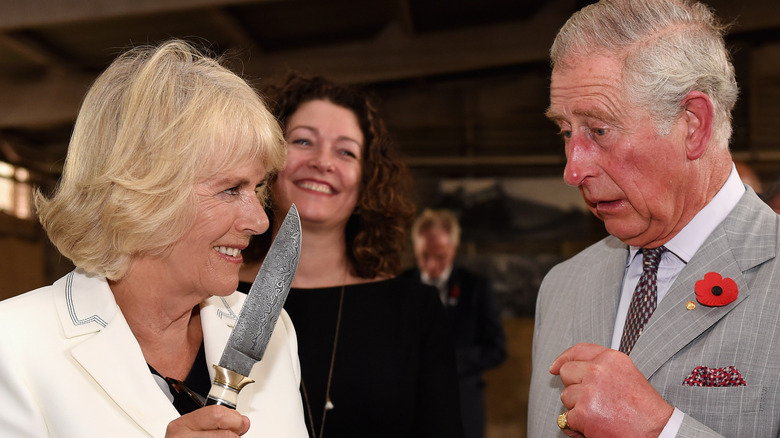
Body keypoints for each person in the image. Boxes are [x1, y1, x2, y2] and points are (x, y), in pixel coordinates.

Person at [0, 40, 308, 437]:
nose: (260, 222)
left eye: (257, 187)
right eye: (231, 189)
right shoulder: (14, 345)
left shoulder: (271, 328)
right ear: (143, 195)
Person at [528, 0, 780, 437]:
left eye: (599, 130)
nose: (572, 170)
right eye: (566, 132)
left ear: (694, 124)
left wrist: (659, 430)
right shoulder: (563, 286)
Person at [238, 73, 464, 438]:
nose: (322, 162)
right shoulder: (213, 295)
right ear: (268, 159)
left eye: (345, 151)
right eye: (303, 141)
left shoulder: (415, 311)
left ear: (366, 180)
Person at [401, 208, 507, 438]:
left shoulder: (475, 287)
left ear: (454, 249)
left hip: (463, 407)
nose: (431, 266)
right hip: (410, 409)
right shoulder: (400, 285)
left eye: (440, 257)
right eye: (424, 256)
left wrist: (449, 360)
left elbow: (496, 350)